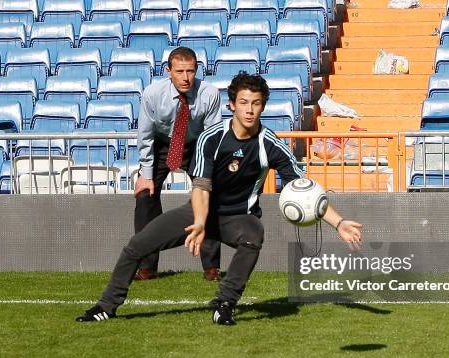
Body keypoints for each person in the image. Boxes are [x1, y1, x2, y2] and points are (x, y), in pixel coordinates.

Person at [76, 72, 363, 325]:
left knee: (254, 234)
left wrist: (338, 223)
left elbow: (306, 191)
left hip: (238, 218)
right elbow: (201, 187)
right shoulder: (211, 138)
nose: (250, 110)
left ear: (263, 106)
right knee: (137, 246)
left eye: (256, 103)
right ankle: (106, 307)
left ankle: (224, 304)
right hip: (199, 212)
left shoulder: (270, 144)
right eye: (244, 103)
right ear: (232, 105)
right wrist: (200, 222)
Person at [134, 46, 222, 281]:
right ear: (168, 71)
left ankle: (212, 268)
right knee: (145, 196)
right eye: (180, 71)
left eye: (191, 71)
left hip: (197, 146)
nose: (185, 77)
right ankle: (147, 266)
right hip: (162, 146)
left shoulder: (209, 93)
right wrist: (145, 173)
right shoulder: (152, 94)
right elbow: (146, 135)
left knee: (209, 195)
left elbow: (212, 135)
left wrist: (211, 174)